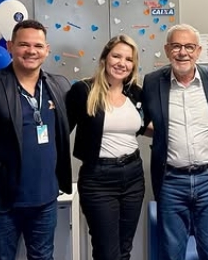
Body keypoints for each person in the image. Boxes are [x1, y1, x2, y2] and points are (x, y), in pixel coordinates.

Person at [0, 19, 73, 260]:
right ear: (10, 46)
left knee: (43, 257)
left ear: (47, 50)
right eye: (24, 44)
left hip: (45, 198)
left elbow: (62, 130)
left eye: (38, 46)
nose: (31, 51)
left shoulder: (59, 85)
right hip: (3, 201)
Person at [142, 24, 208, 260]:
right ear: (167, 50)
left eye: (189, 47)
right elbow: (142, 121)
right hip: (171, 181)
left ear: (198, 51)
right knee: (171, 253)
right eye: (176, 46)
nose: (183, 52)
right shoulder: (152, 82)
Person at [66, 35, 147, 260]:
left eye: (128, 59)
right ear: (104, 58)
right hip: (98, 179)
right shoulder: (84, 90)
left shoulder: (136, 92)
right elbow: (60, 130)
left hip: (133, 176)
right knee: (107, 253)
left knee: (124, 249)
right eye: (116, 56)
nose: (122, 63)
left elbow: (144, 125)